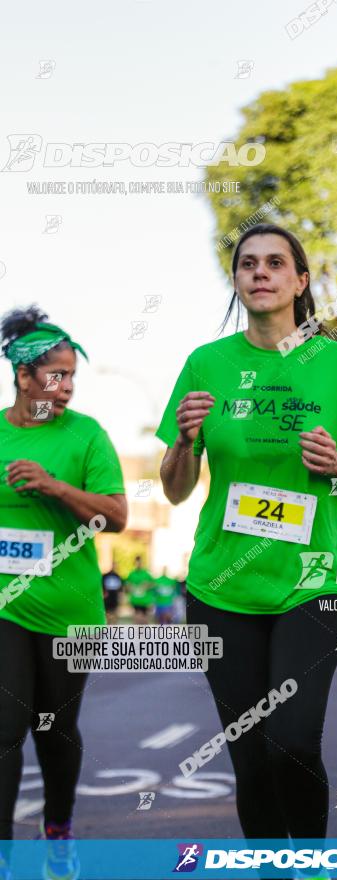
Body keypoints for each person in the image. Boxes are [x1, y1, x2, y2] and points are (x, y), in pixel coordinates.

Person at [156, 223, 337, 866]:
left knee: (292, 741)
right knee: (249, 752)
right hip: (220, 586)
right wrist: (182, 441)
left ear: (301, 280)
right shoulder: (207, 364)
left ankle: (309, 862)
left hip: (309, 581)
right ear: (236, 280)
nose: (260, 272)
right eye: (247, 264)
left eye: (275, 263)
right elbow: (176, 491)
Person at [0, 307, 126, 868]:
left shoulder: (87, 436)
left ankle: (58, 828)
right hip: (7, 608)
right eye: (56, 375)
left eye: (73, 374)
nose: (67, 387)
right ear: (24, 378)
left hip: (68, 612)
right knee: (4, 727)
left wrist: (55, 487)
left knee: (54, 727)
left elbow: (117, 515)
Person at [124, 555, 155, 623]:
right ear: (135, 563)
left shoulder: (146, 574)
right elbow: (127, 586)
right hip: (135, 600)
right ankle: (137, 632)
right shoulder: (131, 574)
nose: (139, 564)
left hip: (145, 600)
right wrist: (130, 587)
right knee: (137, 619)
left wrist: (146, 585)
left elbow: (153, 584)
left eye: (140, 562)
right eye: (137, 563)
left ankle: (144, 633)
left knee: (144, 620)